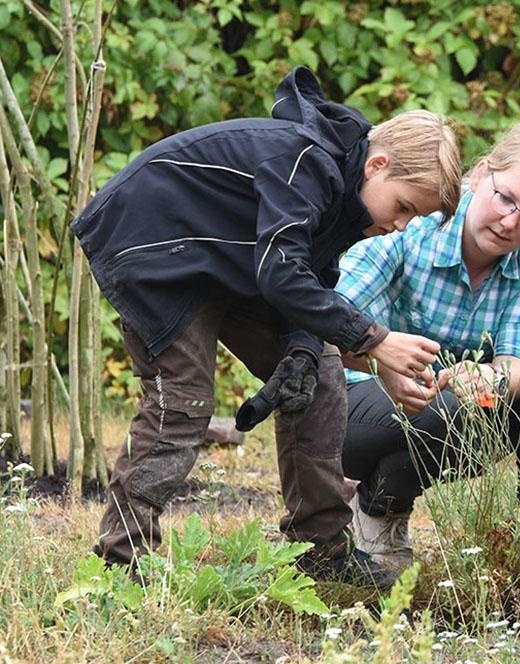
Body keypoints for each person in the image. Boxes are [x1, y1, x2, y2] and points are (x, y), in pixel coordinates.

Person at [71, 66, 462, 589]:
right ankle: (120, 563)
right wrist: (376, 341)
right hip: (156, 247)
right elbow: (281, 273)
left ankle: (321, 549)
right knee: (183, 400)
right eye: (405, 207)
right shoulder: (308, 162)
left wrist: (303, 350)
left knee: (318, 372)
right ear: (378, 165)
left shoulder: (349, 197)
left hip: (228, 261)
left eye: (414, 218)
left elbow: (309, 277)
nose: (400, 225)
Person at [334, 122, 520, 568]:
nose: (510, 222)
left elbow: (519, 362)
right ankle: (380, 512)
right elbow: (330, 320)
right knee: (449, 409)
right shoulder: (417, 218)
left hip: (458, 408)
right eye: (505, 198)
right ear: (481, 174)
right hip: (353, 400)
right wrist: (383, 357)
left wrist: (492, 378)